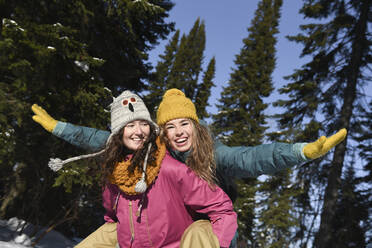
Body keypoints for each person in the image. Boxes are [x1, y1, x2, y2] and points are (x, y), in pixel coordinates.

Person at [31, 88, 347, 248]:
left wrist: (302, 151)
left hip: (211, 234)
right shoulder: (154, 152)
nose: (179, 131)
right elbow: (104, 138)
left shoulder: (215, 156)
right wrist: (59, 127)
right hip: (170, 233)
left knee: (198, 231)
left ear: (196, 127)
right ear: (162, 132)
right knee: (113, 230)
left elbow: (255, 157)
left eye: (185, 124)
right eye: (171, 126)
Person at [46, 90, 237, 248]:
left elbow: (222, 208)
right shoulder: (114, 174)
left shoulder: (170, 168)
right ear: (119, 133)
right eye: (130, 125)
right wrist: (59, 128)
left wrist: (217, 242)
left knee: (200, 229)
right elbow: (112, 217)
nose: (138, 131)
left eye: (144, 123)